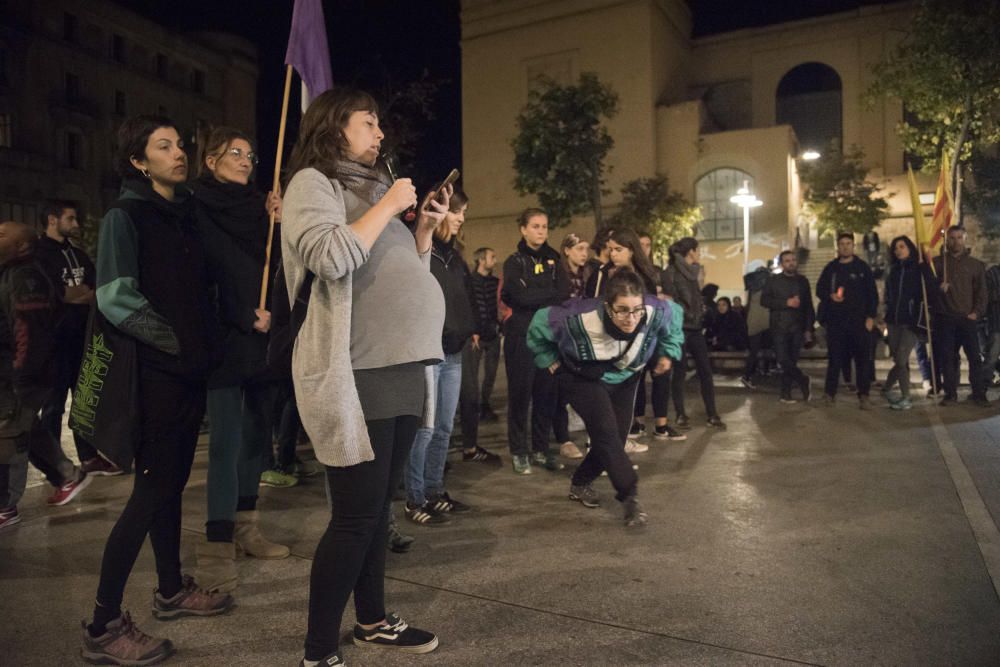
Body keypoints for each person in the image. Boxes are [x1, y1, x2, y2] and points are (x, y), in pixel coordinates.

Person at [280, 88, 444, 666]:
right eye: (368, 123)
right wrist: (390, 204)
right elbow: (329, 256)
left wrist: (419, 232)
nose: (380, 135)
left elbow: (396, 275)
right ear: (334, 126)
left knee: (379, 511)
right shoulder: (313, 184)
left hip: (399, 368)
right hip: (356, 370)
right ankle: (318, 651)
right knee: (353, 517)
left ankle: (372, 621)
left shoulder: (375, 194)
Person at [82, 116, 233, 667]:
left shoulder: (183, 214)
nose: (179, 153)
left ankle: (170, 590)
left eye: (180, 145)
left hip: (188, 373)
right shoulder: (127, 215)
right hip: (157, 376)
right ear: (138, 162)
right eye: (162, 147)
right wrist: (175, 344)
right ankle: (102, 625)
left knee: (169, 488)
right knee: (149, 492)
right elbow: (115, 298)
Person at [191, 126, 289, 593]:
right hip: (223, 338)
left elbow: (280, 267)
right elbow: (202, 274)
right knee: (226, 443)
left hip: (263, 338)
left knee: (256, 439)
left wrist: (281, 222)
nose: (246, 160)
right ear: (210, 160)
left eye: (251, 154)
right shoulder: (196, 205)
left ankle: (248, 527)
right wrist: (241, 313)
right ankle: (216, 543)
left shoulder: (263, 210)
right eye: (235, 152)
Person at [527, 270, 683, 527]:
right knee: (606, 431)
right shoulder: (577, 317)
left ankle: (580, 482)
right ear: (607, 306)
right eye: (622, 310)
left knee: (616, 438)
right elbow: (537, 324)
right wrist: (548, 359)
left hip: (625, 377)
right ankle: (630, 497)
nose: (631, 318)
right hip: (582, 377)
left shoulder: (655, 310)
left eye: (636, 310)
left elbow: (674, 318)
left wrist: (668, 352)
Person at [0, 221, 91, 531]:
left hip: (23, 371)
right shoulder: (12, 272)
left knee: (10, 433)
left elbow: (30, 330)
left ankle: (5, 505)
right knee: (24, 425)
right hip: (15, 371)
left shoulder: (26, 277)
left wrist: (20, 374)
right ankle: (67, 474)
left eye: (2, 233)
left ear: (22, 246)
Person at [36, 202, 122, 477]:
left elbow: (95, 289)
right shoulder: (39, 255)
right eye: (70, 218)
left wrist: (78, 294)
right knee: (53, 404)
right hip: (54, 340)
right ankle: (56, 466)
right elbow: (58, 294)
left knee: (84, 399)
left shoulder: (78, 254)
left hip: (81, 337)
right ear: (52, 220)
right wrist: (75, 293)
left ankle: (89, 457)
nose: (76, 224)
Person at [405, 189, 475, 526]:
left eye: (463, 212)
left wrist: (471, 328)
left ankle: (434, 490)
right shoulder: (420, 248)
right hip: (428, 352)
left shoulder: (455, 256)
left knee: (446, 428)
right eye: (457, 211)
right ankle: (414, 498)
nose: (461, 217)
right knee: (426, 429)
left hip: (454, 352)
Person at [501, 208, 570, 475]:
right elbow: (515, 296)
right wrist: (545, 295)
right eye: (536, 226)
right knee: (520, 395)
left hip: (549, 338)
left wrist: (534, 294)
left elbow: (562, 295)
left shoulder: (554, 260)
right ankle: (519, 451)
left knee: (546, 394)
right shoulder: (514, 262)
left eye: (544, 226)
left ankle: (541, 449)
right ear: (523, 229)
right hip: (521, 337)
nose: (541, 231)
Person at [660, 237, 726, 429]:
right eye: (698, 250)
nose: (699, 254)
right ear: (690, 252)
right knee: (679, 372)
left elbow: (695, 298)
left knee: (705, 371)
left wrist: (702, 311)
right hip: (680, 328)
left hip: (696, 328)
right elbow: (671, 300)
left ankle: (712, 414)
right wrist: (688, 314)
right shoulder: (670, 273)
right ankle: (681, 414)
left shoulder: (693, 272)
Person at [816, 233, 878, 409]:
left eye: (848, 243)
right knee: (835, 360)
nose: (845, 246)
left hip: (859, 323)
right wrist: (830, 295)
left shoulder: (862, 268)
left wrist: (870, 317)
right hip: (836, 323)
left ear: (853, 246)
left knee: (862, 361)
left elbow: (872, 295)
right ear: (838, 246)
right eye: (841, 243)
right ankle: (829, 394)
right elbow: (820, 289)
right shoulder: (831, 268)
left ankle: (864, 395)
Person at [456, 245, 503, 466]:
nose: (495, 260)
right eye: (492, 256)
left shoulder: (494, 282)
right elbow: (471, 306)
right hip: (476, 337)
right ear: (481, 260)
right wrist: (473, 330)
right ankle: (471, 412)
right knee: (471, 381)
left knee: (491, 374)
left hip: (492, 335)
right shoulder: (470, 280)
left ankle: (485, 405)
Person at [933, 226, 988, 407]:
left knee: (974, 357)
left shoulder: (976, 265)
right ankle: (950, 393)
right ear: (947, 240)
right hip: (946, 318)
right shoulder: (938, 263)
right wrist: (938, 289)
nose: (956, 241)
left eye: (959, 238)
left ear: (965, 239)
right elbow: (926, 290)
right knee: (948, 358)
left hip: (967, 318)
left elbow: (982, 293)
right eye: (952, 238)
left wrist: (976, 313)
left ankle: (979, 393)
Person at [882, 236, 936, 410]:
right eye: (895, 247)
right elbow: (888, 297)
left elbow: (931, 288)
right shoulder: (893, 271)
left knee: (901, 358)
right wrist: (885, 317)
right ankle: (887, 389)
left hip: (911, 322)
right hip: (893, 322)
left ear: (910, 248)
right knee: (899, 361)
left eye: (902, 246)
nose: (898, 250)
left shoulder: (918, 269)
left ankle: (905, 397)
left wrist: (925, 265)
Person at [760, 250, 815, 403]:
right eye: (787, 260)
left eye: (793, 260)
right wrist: (786, 303)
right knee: (783, 359)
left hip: (797, 326)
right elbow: (764, 301)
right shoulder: (773, 281)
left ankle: (785, 393)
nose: (791, 263)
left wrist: (808, 328)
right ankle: (803, 380)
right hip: (778, 326)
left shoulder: (802, 281)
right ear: (782, 264)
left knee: (791, 360)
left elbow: (808, 306)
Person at [584, 228, 658, 297]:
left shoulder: (645, 275)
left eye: (618, 250)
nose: (613, 254)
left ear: (631, 251)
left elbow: (652, 302)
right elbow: (588, 302)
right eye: (611, 250)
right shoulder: (600, 274)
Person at [740, 262, 772, 389]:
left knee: (754, 350)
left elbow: (749, 305)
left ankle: (748, 375)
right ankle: (764, 370)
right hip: (767, 319)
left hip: (753, 320)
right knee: (769, 347)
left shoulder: (751, 284)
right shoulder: (769, 282)